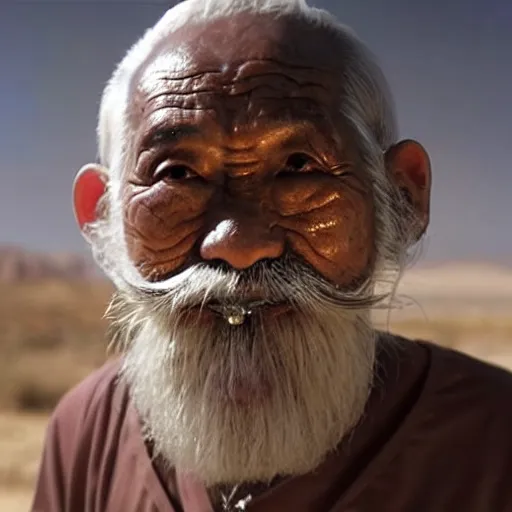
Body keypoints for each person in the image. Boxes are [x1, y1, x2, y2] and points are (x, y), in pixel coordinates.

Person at [31, 1, 512, 511]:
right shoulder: (86, 433)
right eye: (177, 174)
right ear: (103, 215)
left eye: (299, 167)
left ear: (401, 199)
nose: (238, 244)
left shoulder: (496, 444)